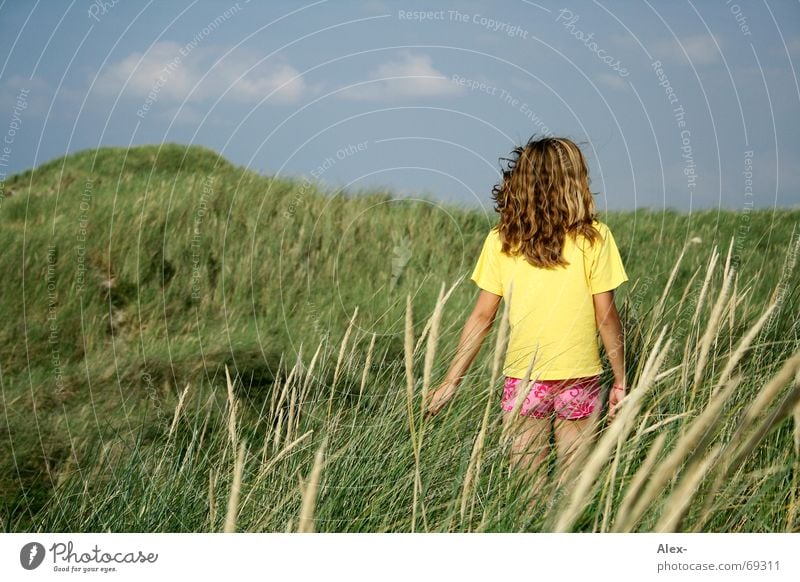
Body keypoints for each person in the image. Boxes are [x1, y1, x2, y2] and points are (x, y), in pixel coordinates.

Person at [423, 135, 628, 506]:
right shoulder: (596, 239)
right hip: (579, 377)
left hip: (524, 381)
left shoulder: (503, 241)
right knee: (572, 495)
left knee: (525, 499)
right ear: (573, 182)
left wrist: (450, 382)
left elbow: (482, 317)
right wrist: (621, 379)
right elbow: (606, 315)